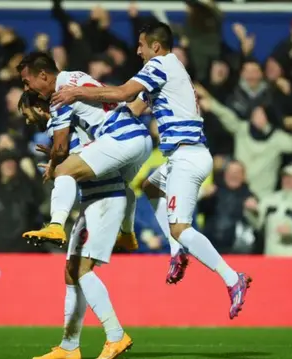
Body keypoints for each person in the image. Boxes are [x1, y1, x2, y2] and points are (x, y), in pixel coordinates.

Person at [52, 22, 251, 319]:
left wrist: (77, 93)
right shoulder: (168, 74)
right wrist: (96, 136)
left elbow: (121, 93)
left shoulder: (160, 65)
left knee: (181, 228)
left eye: (142, 45)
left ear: (155, 47)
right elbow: (131, 108)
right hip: (181, 156)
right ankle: (177, 252)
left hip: (187, 155)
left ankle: (233, 279)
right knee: (150, 186)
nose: (138, 50)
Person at [20, 93, 133, 359]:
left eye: (26, 113)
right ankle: (69, 346)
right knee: (71, 272)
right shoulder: (67, 130)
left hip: (106, 199)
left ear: (38, 107)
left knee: (82, 270)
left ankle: (116, 336)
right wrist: (58, 158)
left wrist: (58, 159)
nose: (26, 120)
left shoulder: (68, 121)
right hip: (92, 200)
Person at [17, 52, 152, 253]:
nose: (27, 89)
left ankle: (55, 226)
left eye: (27, 82)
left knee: (64, 171)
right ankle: (126, 234)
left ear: (43, 75)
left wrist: (54, 163)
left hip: (120, 140)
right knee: (121, 187)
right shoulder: (77, 76)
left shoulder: (60, 96)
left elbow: (61, 150)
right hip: (141, 137)